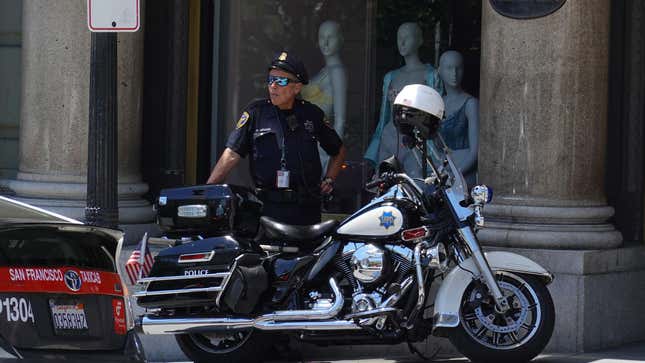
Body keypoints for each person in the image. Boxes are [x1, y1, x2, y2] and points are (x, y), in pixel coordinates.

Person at [206, 51, 347, 225]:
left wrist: (329, 179)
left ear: (297, 87)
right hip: (267, 209)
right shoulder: (256, 113)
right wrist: (207, 191)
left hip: (306, 209)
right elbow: (231, 155)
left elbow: (338, 150)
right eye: (271, 80)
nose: (273, 86)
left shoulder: (312, 114)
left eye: (280, 81)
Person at [364, 22, 443, 177]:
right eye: (399, 38)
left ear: (419, 40)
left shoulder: (431, 75)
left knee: (417, 185)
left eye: (407, 37)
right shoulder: (390, 77)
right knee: (386, 186)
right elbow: (383, 117)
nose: (402, 42)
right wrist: (374, 148)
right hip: (389, 139)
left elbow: (437, 115)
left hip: (416, 141)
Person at [301, 20, 347, 171]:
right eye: (322, 37)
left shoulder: (337, 71)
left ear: (340, 40)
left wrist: (334, 154)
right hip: (309, 139)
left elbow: (340, 119)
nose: (325, 43)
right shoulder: (325, 70)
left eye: (330, 37)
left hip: (321, 144)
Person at [438, 50, 479, 185]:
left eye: (458, 68)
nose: (454, 73)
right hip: (443, 170)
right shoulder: (437, 103)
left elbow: (475, 152)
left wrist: (455, 174)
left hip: (463, 174)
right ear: (440, 71)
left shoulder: (470, 104)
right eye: (449, 68)